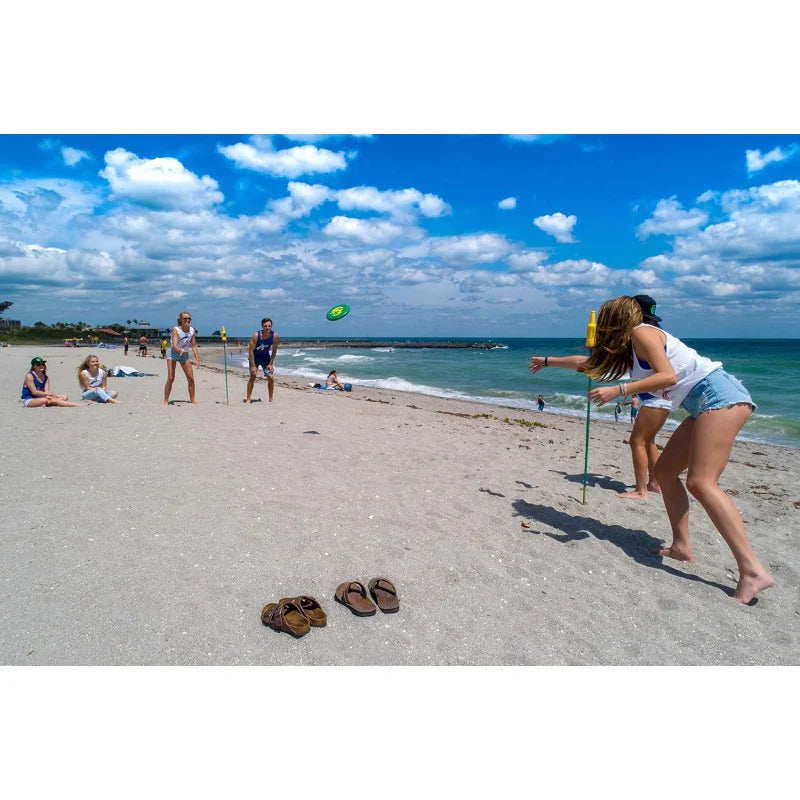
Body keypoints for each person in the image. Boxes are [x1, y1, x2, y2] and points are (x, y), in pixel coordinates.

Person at [528, 295, 772, 604]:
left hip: (720, 397)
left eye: (604, 319)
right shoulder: (630, 347)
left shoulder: (641, 332)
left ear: (614, 319)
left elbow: (667, 376)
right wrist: (547, 362)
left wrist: (621, 389)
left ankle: (753, 571)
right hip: (702, 403)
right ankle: (682, 547)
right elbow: (590, 365)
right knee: (666, 473)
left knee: (701, 482)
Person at [164, 311, 200, 405]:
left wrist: (197, 359)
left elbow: (193, 345)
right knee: (171, 378)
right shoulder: (176, 330)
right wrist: (178, 349)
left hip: (184, 355)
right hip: (173, 354)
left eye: (189, 318)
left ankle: (192, 400)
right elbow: (174, 344)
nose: (187, 320)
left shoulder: (192, 330)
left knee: (191, 378)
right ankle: (166, 400)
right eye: (185, 318)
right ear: (180, 320)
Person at [246, 317, 280, 403]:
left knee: (271, 378)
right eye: (265, 326)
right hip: (255, 358)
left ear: (271, 326)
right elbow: (250, 350)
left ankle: (271, 398)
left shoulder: (274, 336)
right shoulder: (256, 335)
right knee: (253, 376)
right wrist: (253, 366)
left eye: (269, 326)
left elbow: (274, 351)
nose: (267, 328)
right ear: (262, 326)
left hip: (266, 359)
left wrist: (271, 363)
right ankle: (248, 399)